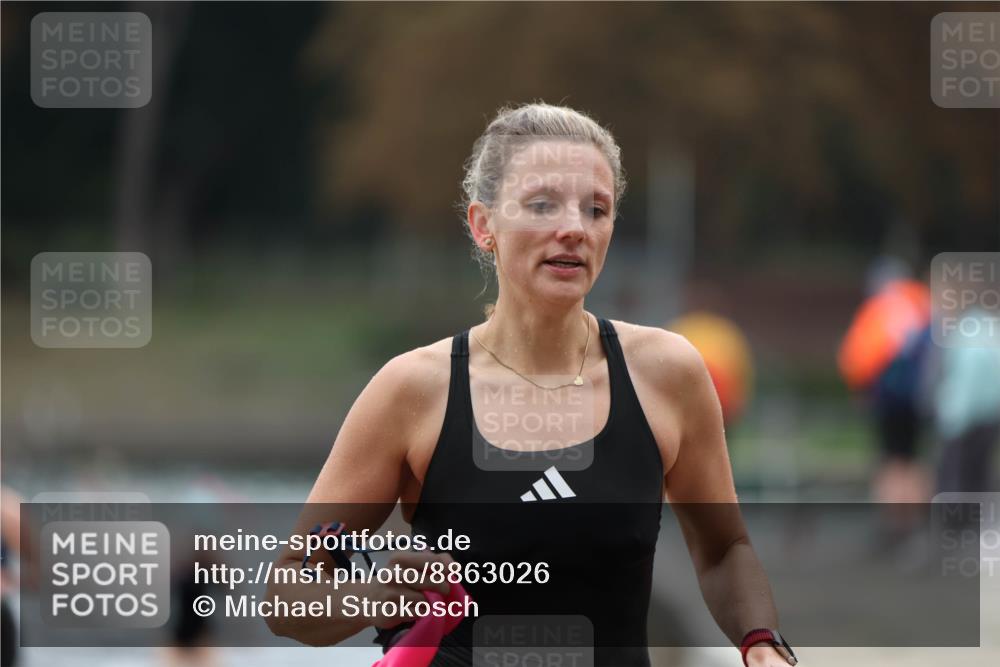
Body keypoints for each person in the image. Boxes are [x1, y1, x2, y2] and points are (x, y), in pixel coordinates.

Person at [267, 102, 797, 667]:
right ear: (483, 225)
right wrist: (376, 597)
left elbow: (724, 549)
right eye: (542, 204)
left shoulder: (666, 374)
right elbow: (287, 594)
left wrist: (761, 644)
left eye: (596, 209)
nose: (574, 227)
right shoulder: (415, 389)